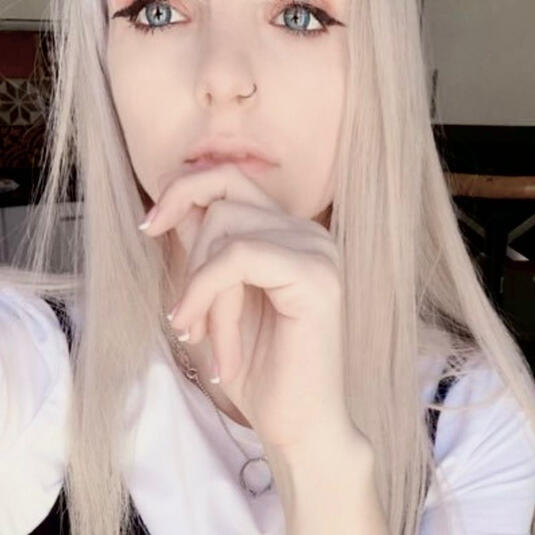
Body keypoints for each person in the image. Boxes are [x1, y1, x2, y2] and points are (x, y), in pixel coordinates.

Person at [1, 0, 534, 533]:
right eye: (158, 11)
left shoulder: (475, 418)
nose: (222, 78)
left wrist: (318, 459)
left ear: (378, 65)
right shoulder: (27, 360)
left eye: (299, 15)